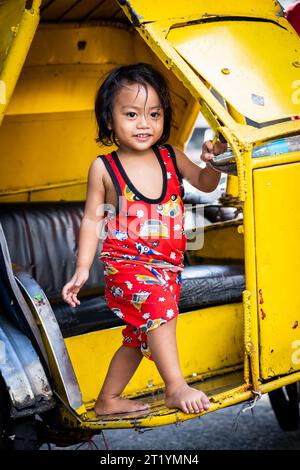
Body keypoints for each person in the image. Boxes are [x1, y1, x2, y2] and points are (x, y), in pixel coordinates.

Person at [61, 63, 227, 416]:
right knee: (159, 313)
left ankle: (108, 399)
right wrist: (81, 269)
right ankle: (175, 386)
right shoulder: (104, 168)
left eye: (154, 114)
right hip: (126, 265)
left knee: (139, 336)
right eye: (132, 114)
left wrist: (213, 163)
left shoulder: (171, 156)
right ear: (109, 119)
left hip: (167, 267)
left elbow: (205, 183)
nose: (144, 123)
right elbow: (92, 219)